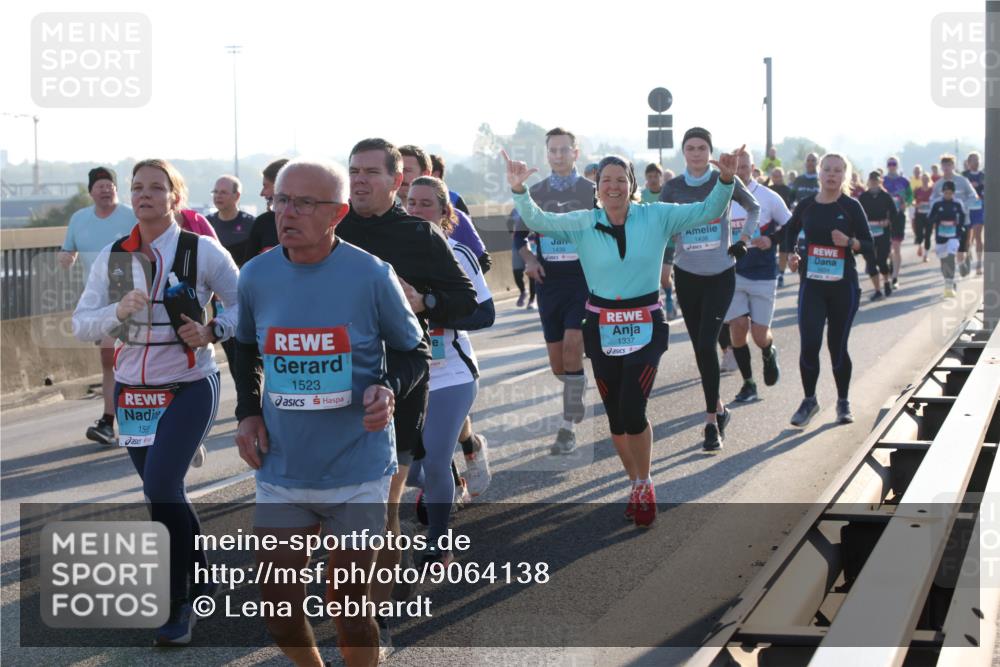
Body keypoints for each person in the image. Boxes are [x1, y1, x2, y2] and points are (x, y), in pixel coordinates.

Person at [233, 159, 426, 666]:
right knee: (277, 606)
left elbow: (413, 350)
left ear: (337, 213)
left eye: (303, 203)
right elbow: (244, 347)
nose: (286, 212)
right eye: (280, 200)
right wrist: (248, 411)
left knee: (348, 605)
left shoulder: (370, 274)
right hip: (283, 466)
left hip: (357, 467)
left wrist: (387, 387)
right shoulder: (255, 275)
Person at [505, 146, 739, 527]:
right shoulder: (583, 221)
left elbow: (707, 210)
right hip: (601, 325)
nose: (613, 186)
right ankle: (635, 482)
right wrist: (519, 189)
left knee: (633, 408)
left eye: (620, 180)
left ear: (632, 185)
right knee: (615, 417)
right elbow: (539, 220)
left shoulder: (657, 215)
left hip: (646, 322)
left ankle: (645, 482)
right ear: (596, 187)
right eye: (606, 180)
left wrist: (726, 180)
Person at [72, 159, 239, 645]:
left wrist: (213, 329)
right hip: (133, 391)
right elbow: (81, 324)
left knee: (162, 485)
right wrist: (114, 311)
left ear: (175, 197)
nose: (145, 195)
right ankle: (202, 576)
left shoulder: (202, 251)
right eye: (137, 187)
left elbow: (243, 304)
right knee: (162, 491)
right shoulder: (113, 255)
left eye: (156, 188)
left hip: (189, 382)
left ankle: (178, 603)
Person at [337, 138, 477, 653]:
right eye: (353, 170)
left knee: (380, 513)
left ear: (397, 181)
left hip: (401, 390)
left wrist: (427, 299)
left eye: (371, 172)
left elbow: (466, 303)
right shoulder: (332, 229)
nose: (359, 180)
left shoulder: (420, 236)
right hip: (331, 392)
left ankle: (374, 620)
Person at [405, 175, 494, 564]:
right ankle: (447, 486)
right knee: (408, 471)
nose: (417, 210)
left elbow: (484, 314)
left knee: (436, 458)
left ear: (445, 213)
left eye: (427, 203)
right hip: (406, 373)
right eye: (411, 202)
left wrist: (429, 304)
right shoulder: (388, 255)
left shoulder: (459, 253)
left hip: (451, 373)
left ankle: (439, 543)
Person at [660, 128, 760, 453]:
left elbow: (754, 207)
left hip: (720, 274)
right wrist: (664, 264)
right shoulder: (673, 188)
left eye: (702, 147)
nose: (697, 153)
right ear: (683, 152)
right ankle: (720, 408)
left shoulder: (725, 178)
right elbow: (661, 226)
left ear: (710, 151)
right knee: (701, 350)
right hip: (687, 276)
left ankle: (710, 424)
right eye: (690, 147)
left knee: (706, 343)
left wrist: (743, 240)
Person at [512, 127, 595, 455]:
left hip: (583, 282)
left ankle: (567, 427)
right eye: (553, 151)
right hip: (549, 283)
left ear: (576, 152)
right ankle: (576, 386)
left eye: (565, 150)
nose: (559, 155)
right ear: (547, 155)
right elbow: (519, 236)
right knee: (559, 365)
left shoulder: (592, 190)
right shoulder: (537, 193)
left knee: (574, 345)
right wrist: (530, 258)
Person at [783, 154, 873, 428]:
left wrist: (850, 242)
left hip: (843, 287)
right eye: (827, 170)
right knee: (809, 344)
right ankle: (809, 400)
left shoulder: (850, 206)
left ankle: (843, 402)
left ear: (844, 175)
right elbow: (789, 232)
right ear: (819, 173)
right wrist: (791, 255)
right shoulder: (806, 206)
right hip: (812, 285)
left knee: (837, 346)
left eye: (837, 171)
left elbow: (870, 246)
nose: (831, 175)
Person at [59, 166, 137, 447]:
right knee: (110, 360)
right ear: (90, 191)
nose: (105, 189)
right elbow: (69, 248)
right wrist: (65, 257)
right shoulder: (79, 219)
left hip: (133, 294)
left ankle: (112, 418)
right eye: (99, 185)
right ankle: (111, 420)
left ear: (116, 189)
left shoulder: (131, 215)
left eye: (109, 185)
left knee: (119, 356)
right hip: (98, 299)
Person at [726, 150, 791, 403]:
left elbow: (790, 225)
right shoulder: (724, 196)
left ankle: (768, 351)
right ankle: (748, 383)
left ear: (752, 168)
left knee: (760, 334)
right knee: (738, 328)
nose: (740, 171)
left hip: (763, 273)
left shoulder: (768, 197)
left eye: (744, 167)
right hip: (733, 272)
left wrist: (771, 239)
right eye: (736, 167)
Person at [400, 145, 490, 272]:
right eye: (396, 170)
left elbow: (483, 261)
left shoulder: (456, 218)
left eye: (406, 170)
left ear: (426, 174)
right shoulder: (388, 220)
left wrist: (453, 284)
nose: (400, 176)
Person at [930, 154, 980, 276]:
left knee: (961, 251)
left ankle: (964, 258)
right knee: (947, 253)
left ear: (953, 166)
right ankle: (950, 279)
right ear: (941, 167)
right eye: (944, 165)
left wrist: (962, 206)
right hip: (945, 225)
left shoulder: (963, 181)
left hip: (963, 222)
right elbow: (932, 201)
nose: (946, 167)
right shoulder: (938, 184)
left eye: (949, 164)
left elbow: (974, 196)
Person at [858, 171, 896, 301]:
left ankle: (886, 281)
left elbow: (894, 213)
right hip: (867, 233)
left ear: (880, 182)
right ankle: (877, 290)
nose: (874, 183)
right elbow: (856, 215)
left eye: (876, 181)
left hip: (882, 233)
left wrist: (888, 221)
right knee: (871, 263)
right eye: (872, 181)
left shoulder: (886, 196)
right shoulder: (863, 197)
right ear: (868, 182)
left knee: (881, 261)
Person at [928, 181, 969, 298]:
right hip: (940, 237)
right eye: (946, 193)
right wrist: (938, 221)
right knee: (943, 262)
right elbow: (930, 218)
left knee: (950, 257)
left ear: (953, 193)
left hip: (953, 236)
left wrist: (958, 227)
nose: (948, 195)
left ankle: (949, 287)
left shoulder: (957, 204)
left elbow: (962, 218)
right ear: (942, 192)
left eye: (950, 193)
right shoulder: (937, 204)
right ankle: (948, 281)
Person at [245, 158, 290, 259]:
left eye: (266, 186)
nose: (262, 193)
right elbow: (249, 268)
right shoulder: (262, 223)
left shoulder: (315, 222)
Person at [882, 157, 912, 289]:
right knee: (887, 249)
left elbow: (911, 196)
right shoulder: (883, 181)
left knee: (896, 246)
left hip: (899, 216)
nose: (892, 166)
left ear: (897, 165)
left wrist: (907, 203)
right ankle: (891, 264)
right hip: (886, 217)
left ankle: (894, 277)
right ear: (887, 166)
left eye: (894, 164)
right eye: (890, 164)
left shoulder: (904, 181)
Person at [961, 151, 985, 276]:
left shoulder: (983, 175)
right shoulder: (964, 176)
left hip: (979, 209)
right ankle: (967, 255)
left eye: (978, 160)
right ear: (968, 163)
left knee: (978, 236)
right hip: (967, 210)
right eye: (974, 160)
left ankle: (979, 265)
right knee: (967, 239)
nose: (976, 162)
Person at [508, 209, 536, 308]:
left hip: (533, 243)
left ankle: (532, 300)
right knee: (517, 271)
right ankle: (523, 291)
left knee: (532, 271)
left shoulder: (536, 205)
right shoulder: (515, 211)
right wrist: (512, 234)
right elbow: (509, 222)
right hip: (518, 244)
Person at [913, 173, 934, 261]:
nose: (925, 181)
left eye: (926, 179)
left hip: (929, 215)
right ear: (921, 180)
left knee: (928, 235)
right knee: (919, 234)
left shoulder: (932, 190)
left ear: (929, 180)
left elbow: (936, 200)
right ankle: (920, 246)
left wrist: (930, 205)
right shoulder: (917, 190)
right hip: (919, 215)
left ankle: (926, 255)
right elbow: (912, 201)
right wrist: (916, 205)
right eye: (923, 179)